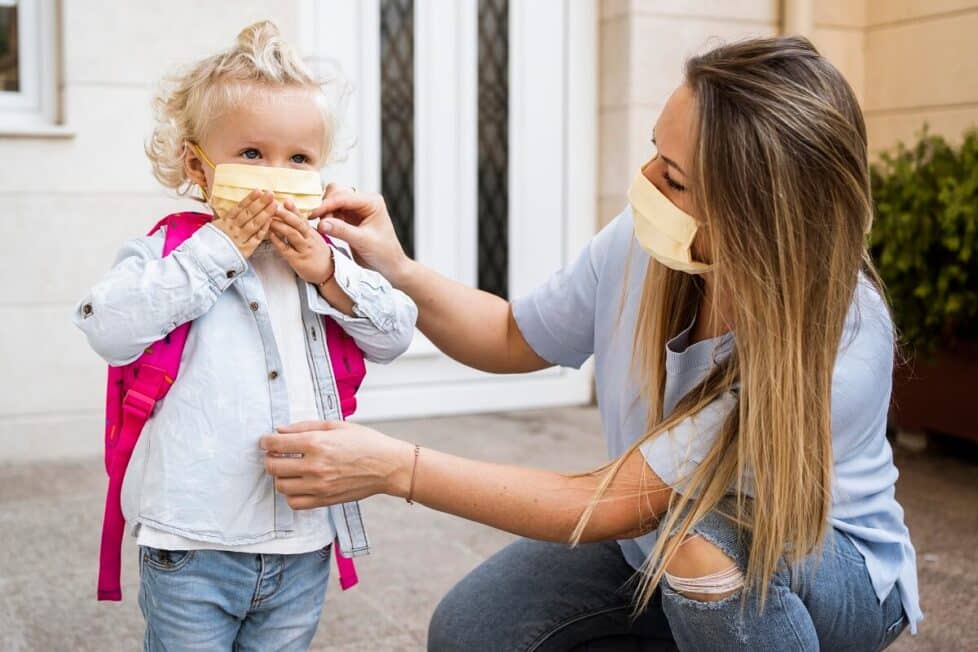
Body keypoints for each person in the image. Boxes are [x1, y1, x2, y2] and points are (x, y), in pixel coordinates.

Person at [262, 37, 921, 650]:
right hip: (657, 537)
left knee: (705, 554)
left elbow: (603, 501)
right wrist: (396, 268)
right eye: (656, 152)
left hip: (826, 567)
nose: (645, 181)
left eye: (675, 178)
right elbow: (512, 335)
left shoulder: (837, 341)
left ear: (756, 220)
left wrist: (392, 468)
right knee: (472, 631)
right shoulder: (648, 242)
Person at [73, 21, 416, 651]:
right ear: (198, 169)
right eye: (252, 155)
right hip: (192, 544)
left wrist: (333, 274)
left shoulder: (324, 259)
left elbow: (396, 336)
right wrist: (217, 250)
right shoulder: (171, 252)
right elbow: (107, 327)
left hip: (303, 544)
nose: (275, 175)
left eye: (299, 160)